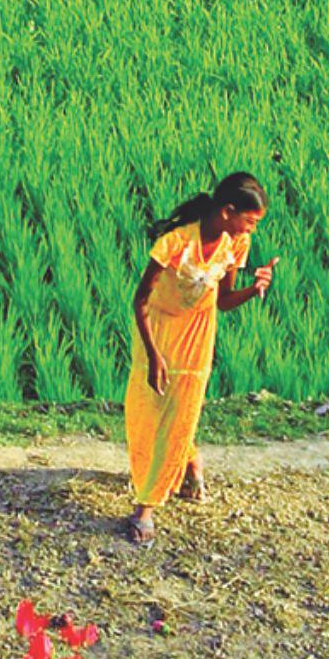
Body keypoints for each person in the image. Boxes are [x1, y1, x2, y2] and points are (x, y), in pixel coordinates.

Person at [122, 172, 275, 544]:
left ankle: (147, 506)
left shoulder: (236, 242)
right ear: (227, 211)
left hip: (198, 330)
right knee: (149, 410)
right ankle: (190, 462)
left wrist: (254, 289)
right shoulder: (175, 243)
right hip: (158, 328)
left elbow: (223, 300)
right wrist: (154, 355)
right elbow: (140, 301)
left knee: (184, 408)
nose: (251, 229)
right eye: (250, 220)